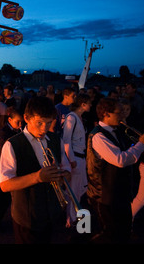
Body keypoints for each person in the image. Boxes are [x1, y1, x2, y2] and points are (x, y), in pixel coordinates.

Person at [0, 96, 72, 243]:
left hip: (51, 214)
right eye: (39, 123)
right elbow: (5, 185)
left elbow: (67, 171)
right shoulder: (12, 144)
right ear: (26, 118)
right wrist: (38, 177)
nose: (44, 128)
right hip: (27, 218)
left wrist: (63, 175)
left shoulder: (56, 140)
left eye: (49, 122)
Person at [86, 97, 144, 243]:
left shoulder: (118, 130)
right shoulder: (98, 135)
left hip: (119, 194)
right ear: (106, 114)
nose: (122, 115)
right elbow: (120, 160)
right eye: (119, 112)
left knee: (123, 232)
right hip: (104, 197)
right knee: (110, 235)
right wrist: (141, 145)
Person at [0, 107, 23, 230]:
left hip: (6, 168)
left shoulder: (14, 131)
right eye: (17, 122)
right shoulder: (4, 133)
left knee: (4, 198)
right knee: (0, 198)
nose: (20, 125)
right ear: (9, 119)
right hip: (1, 169)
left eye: (21, 122)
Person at [62, 93, 91, 227]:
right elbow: (67, 140)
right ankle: (72, 220)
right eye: (89, 103)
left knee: (78, 190)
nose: (91, 105)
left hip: (80, 157)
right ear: (83, 104)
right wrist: (71, 160)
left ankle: (74, 219)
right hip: (76, 158)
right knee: (74, 191)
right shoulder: (72, 118)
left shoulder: (77, 118)